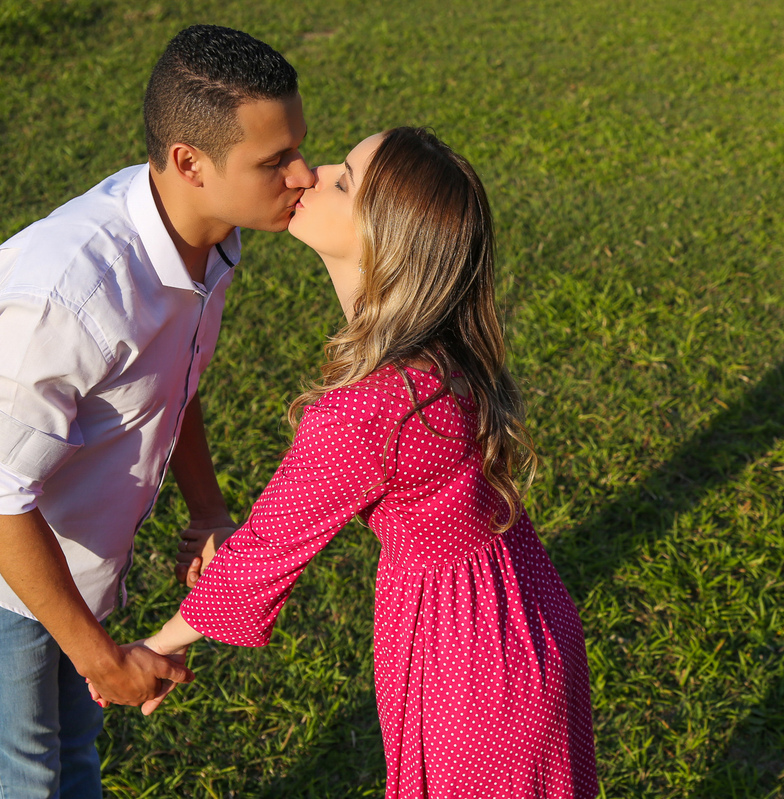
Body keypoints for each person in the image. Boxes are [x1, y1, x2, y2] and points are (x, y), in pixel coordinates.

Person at [104, 127, 600, 797]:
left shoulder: (371, 408)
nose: (310, 172)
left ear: (384, 242)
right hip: (522, 622)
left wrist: (161, 643)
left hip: (471, 667)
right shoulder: (438, 347)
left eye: (344, 180)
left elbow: (271, 546)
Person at [0, 25, 314, 798]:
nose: (304, 175)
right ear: (189, 162)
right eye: (275, 161)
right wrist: (100, 656)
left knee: (72, 760)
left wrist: (207, 509)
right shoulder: (68, 297)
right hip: (14, 588)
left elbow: (174, 374)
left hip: (81, 572)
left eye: (299, 149)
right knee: (30, 777)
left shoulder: (211, 236)